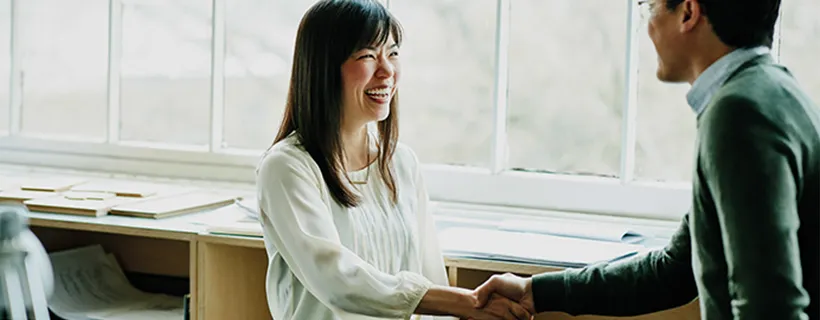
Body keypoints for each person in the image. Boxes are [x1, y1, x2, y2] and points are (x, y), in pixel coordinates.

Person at [473, 0, 820, 319]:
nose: (647, 25)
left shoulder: (739, 114)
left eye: (649, 7)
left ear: (687, 13)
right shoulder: (774, 92)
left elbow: (770, 308)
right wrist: (537, 291)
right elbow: (675, 270)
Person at [255, 1, 531, 319]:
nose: (387, 71)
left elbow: (430, 274)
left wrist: (465, 308)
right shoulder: (286, 167)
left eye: (393, 53)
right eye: (368, 56)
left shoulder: (401, 162)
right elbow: (336, 279)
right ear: (323, 67)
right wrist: (467, 302)